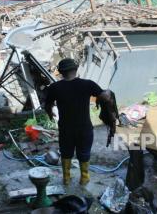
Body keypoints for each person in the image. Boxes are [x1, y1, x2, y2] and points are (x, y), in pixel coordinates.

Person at [45, 58, 111, 186]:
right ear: (76, 69)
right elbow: (105, 97)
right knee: (84, 153)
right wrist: (107, 91)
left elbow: (48, 105)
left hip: (65, 129)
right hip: (84, 128)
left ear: (60, 72)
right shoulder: (87, 84)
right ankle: (84, 178)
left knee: (66, 153)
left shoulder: (54, 87)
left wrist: (50, 114)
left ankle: (66, 179)